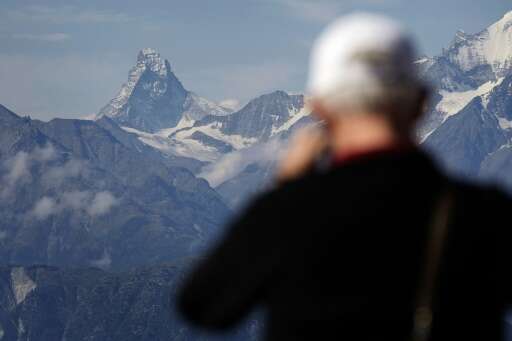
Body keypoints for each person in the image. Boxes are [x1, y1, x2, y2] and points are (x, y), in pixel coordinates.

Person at [177, 13, 512, 340]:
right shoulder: (486, 213)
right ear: (423, 103)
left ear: (319, 108)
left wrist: (284, 192)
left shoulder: (284, 216)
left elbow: (203, 306)